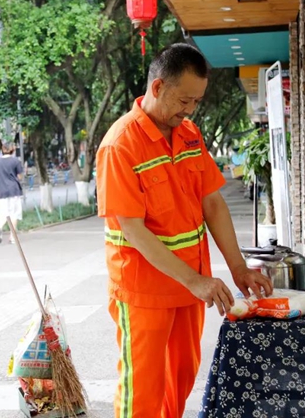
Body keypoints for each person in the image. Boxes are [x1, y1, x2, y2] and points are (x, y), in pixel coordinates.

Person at [96, 43, 273, 418]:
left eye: (196, 101)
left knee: (180, 380)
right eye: (184, 100)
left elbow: (212, 203)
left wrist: (238, 268)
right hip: (143, 289)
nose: (190, 110)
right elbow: (133, 229)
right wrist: (195, 280)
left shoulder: (190, 133)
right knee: (142, 391)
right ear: (157, 88)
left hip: (189, 286)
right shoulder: (120, 146)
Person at [0, 142, 24, 244]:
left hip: (2, 191)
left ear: (3, 149)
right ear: (12, 150)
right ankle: (12, 237)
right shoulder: (15, 161)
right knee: (14, 214)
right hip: (14, 190)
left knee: (3, 213)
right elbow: (20, 177)